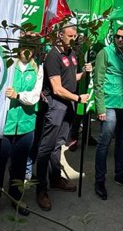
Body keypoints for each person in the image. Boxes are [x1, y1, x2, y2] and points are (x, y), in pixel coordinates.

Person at [35, 23, 91, 211]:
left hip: (69, 105)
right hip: (56, 106)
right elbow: (57, 88)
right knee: (46, 147)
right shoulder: (53, 55)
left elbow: (70, 78)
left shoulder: (72, 54)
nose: (73, 39)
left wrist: (85, 73)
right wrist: (78, 98)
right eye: (70, 36)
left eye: (75, 36)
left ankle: (55, 178)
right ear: (60, 35)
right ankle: (41, 190)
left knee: (58, 144)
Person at [0, 44, 44, 222]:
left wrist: (18, 95)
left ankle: (15, 198)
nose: (28, 51)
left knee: (19, 166)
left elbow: (35, 96)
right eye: (24, 46)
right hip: (4, 124)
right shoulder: (7, 65)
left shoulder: (38, 68)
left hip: (26, 125)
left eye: (31, 47)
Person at [93, 25, 123, 200]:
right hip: (110, 104)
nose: (119, 39)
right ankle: (99, 180)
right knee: (104, 143)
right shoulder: (105, 53)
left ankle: (120, 174)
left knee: (122, 142)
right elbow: (98, 81)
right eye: (117, 36)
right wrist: (100, 108)